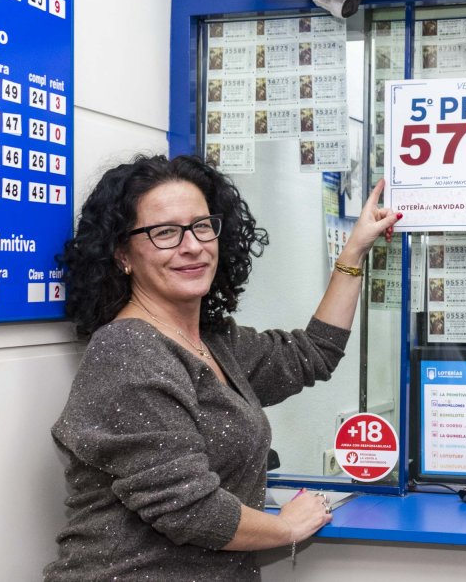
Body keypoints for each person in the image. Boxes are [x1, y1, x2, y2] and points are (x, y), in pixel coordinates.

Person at [44, 155, 398, 580]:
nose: (192, 245)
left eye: (201, 226)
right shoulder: (127, 349)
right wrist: (287, 526)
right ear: (123, 254)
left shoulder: (213, 341)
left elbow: (313, 353)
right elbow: (192, 511)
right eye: (165, 233)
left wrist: (354, 250)